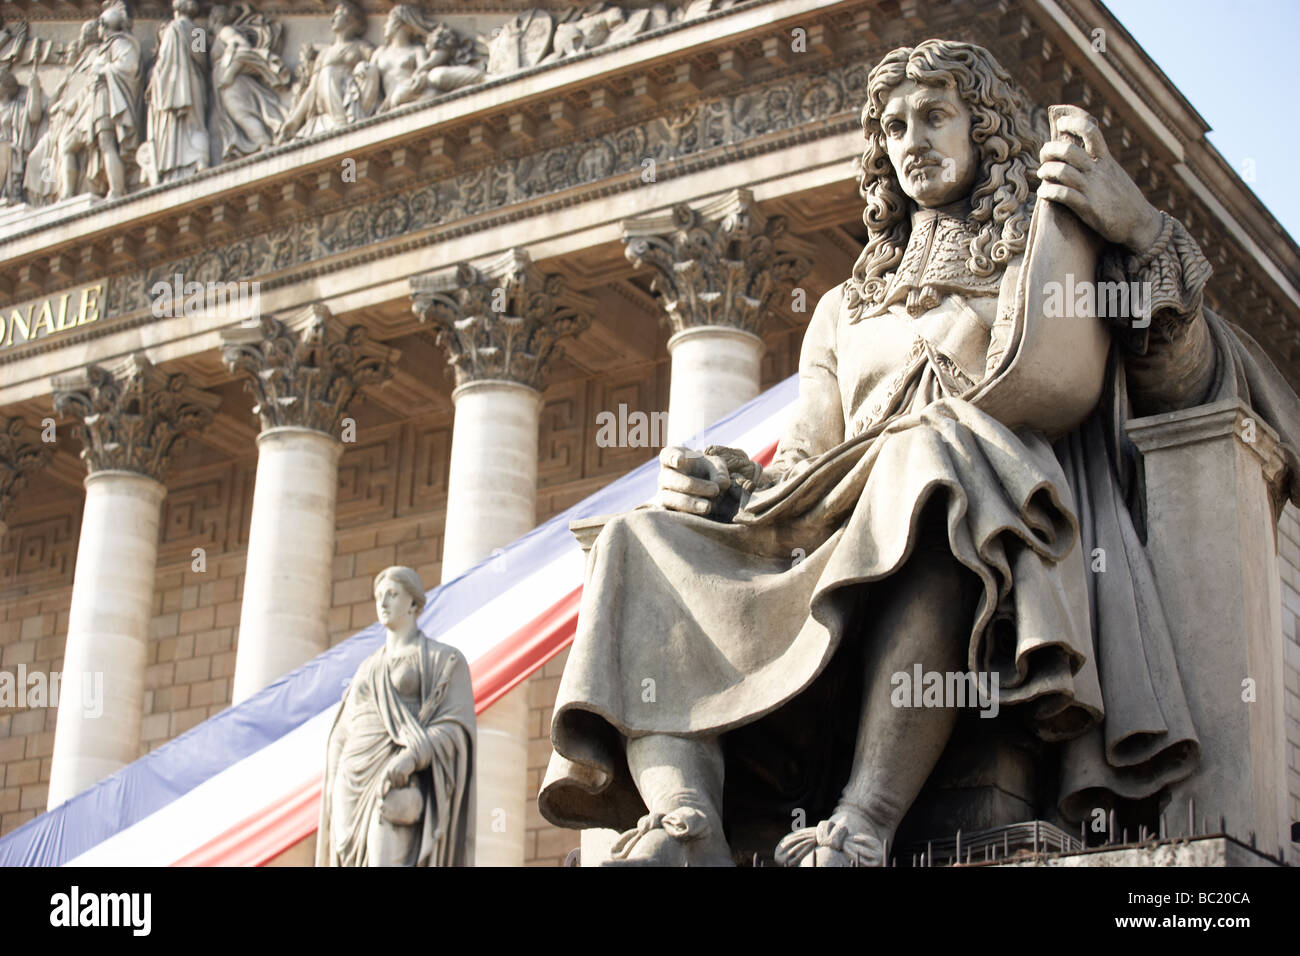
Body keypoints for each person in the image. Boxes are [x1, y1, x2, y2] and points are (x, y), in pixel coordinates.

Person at [538, 38, 1300, 866]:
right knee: (639, 538)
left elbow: (1181, 378)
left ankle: (866, 816)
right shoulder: (842, 308)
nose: (912, 140)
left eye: (936, 115)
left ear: (988, 131)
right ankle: (688, 822)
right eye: (895, 125)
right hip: (837, 530)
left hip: (995, 531)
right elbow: (805, 461)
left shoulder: (1043, 262)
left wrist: (1141, 230)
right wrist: (729, 481)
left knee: (928, 457)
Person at [317, 566, 476, 866]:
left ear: (414, 603)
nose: (383, 602)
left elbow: (456, 726)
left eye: (392, 594)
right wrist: (334, 779)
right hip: (352, 778)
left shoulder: (442, 659)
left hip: (396, 777)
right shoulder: (367, 668)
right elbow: (342, 732)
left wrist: (413, 756)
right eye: (379, 596)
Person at [57, 0, 141, 200]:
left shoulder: (197, 31)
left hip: (107, 102)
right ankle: (67, 194)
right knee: (71, 145)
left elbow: (129, 67)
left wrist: (102, 70)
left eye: (100, 26)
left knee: (106, 142)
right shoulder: (104, 49)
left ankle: (117, 191)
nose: (98, 31)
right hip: (93, 103)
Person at [357, 5, 483, 114]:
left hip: (412, 90)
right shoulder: (380, 53)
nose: (384, 26)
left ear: (402, 23)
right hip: (395, 98)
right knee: (401, 95)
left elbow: (423, 71)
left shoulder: (417, 50)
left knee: (436, 79)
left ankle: (476, 84)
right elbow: (371, 83)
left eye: (389, 21)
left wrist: (421, 75)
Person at [277, 1, 373, 141]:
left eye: (339, 14)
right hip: (326, 97)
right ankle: (339, 122)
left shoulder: (361, 47)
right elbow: (312, 89)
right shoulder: (324, 54)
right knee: (327, 73)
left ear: (351, 19)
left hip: (351, 95)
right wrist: (293, 121)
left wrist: (364, 69)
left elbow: (378, 63)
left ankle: (343, 122)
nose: (333, 18)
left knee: (331, 72)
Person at [208, 4, 290, 160]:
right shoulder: (212, 37)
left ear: (213, 19)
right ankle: (242, 147)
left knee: (241, 113)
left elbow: (243, 47)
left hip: (232, 81)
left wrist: (229, 75)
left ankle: (264, 144)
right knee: (234, 117)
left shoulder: (226, 32)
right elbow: (198, 51)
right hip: (223, 82)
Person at [143, 0, 210, 185]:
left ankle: (174, 168)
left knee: (175, 127)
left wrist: (153, 84)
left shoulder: (172, 29)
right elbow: (202, 59)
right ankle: (200, 160)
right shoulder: (198, 31)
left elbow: (163, 62)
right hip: (194, 82)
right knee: (195, 124)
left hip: (171, 87)